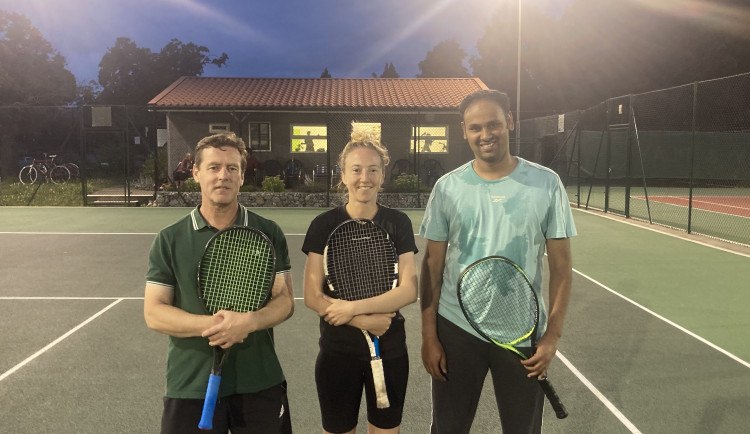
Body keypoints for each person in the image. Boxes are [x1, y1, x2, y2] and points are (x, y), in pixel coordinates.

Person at [419, 89, 577, 433]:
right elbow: (432, 267)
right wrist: (429, 335)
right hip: (456, 329)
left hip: (521, 333)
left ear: (509, 121)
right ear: (464, 131)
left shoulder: (547, 185)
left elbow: (562, 269)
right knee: (448, 428)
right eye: (475, 128)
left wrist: (551, 337)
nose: (485, 135)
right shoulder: (447, 188)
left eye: (493, 124)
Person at [144, 132, 294, 434]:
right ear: (196, 173)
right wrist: (216, 326)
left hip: (259, 381)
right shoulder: (169, 239)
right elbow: (154, 312)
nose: (222, 176)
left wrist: (249, 322)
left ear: (241, 176)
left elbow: (285, 301)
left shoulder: (268, 232)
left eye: (232, 168)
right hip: (190, 385)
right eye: (213, 167)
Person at [302, 128, 418, 434]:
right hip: (337, 353)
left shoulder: (398, 222)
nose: (364, 177)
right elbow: (313, 297)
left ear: (382, 176)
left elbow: (409, 289)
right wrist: (364, 322)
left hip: (390, 351)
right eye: (356, 169)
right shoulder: (323, 225)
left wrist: (353, 310)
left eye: (373, 170)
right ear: (343, 174)